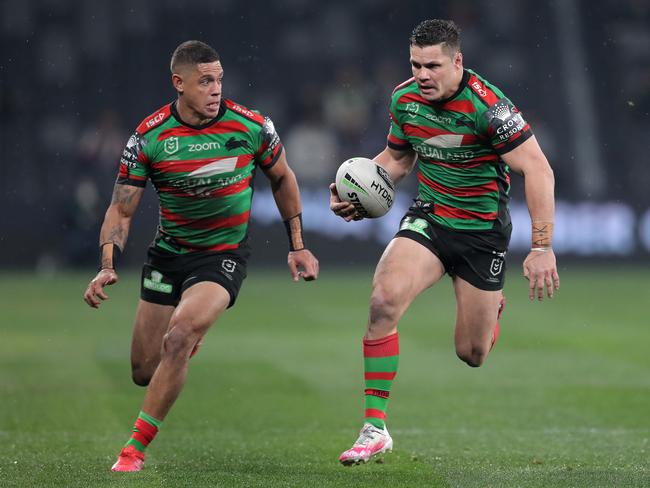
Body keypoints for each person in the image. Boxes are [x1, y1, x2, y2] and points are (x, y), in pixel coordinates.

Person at [330, 19, 559, 465]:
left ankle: (490, 312)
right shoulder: (404, 99)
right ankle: (373, 428)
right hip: (430, 219)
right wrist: (357, 185)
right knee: (383, 302)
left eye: (432, 65)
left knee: (471, 353)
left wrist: (541, 247)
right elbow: (398, 157)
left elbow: (539, 170)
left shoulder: (490, 108)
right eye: (415, 64)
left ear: (457, 61)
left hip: (481, 234)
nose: (422, 75)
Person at [83, 40, 319, 472]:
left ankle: (132, 450)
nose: (216, 89)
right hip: (168, 255)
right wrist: (106, 266)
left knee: (179, 336)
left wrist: (298, 246)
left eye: (219, 79)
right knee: (142, 369)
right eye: (205, 81)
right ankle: (188, 336)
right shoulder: (150, 136)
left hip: (223, 256)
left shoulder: (251, 126)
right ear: (179, 83)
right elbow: (121, 207)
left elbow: (283, 177)